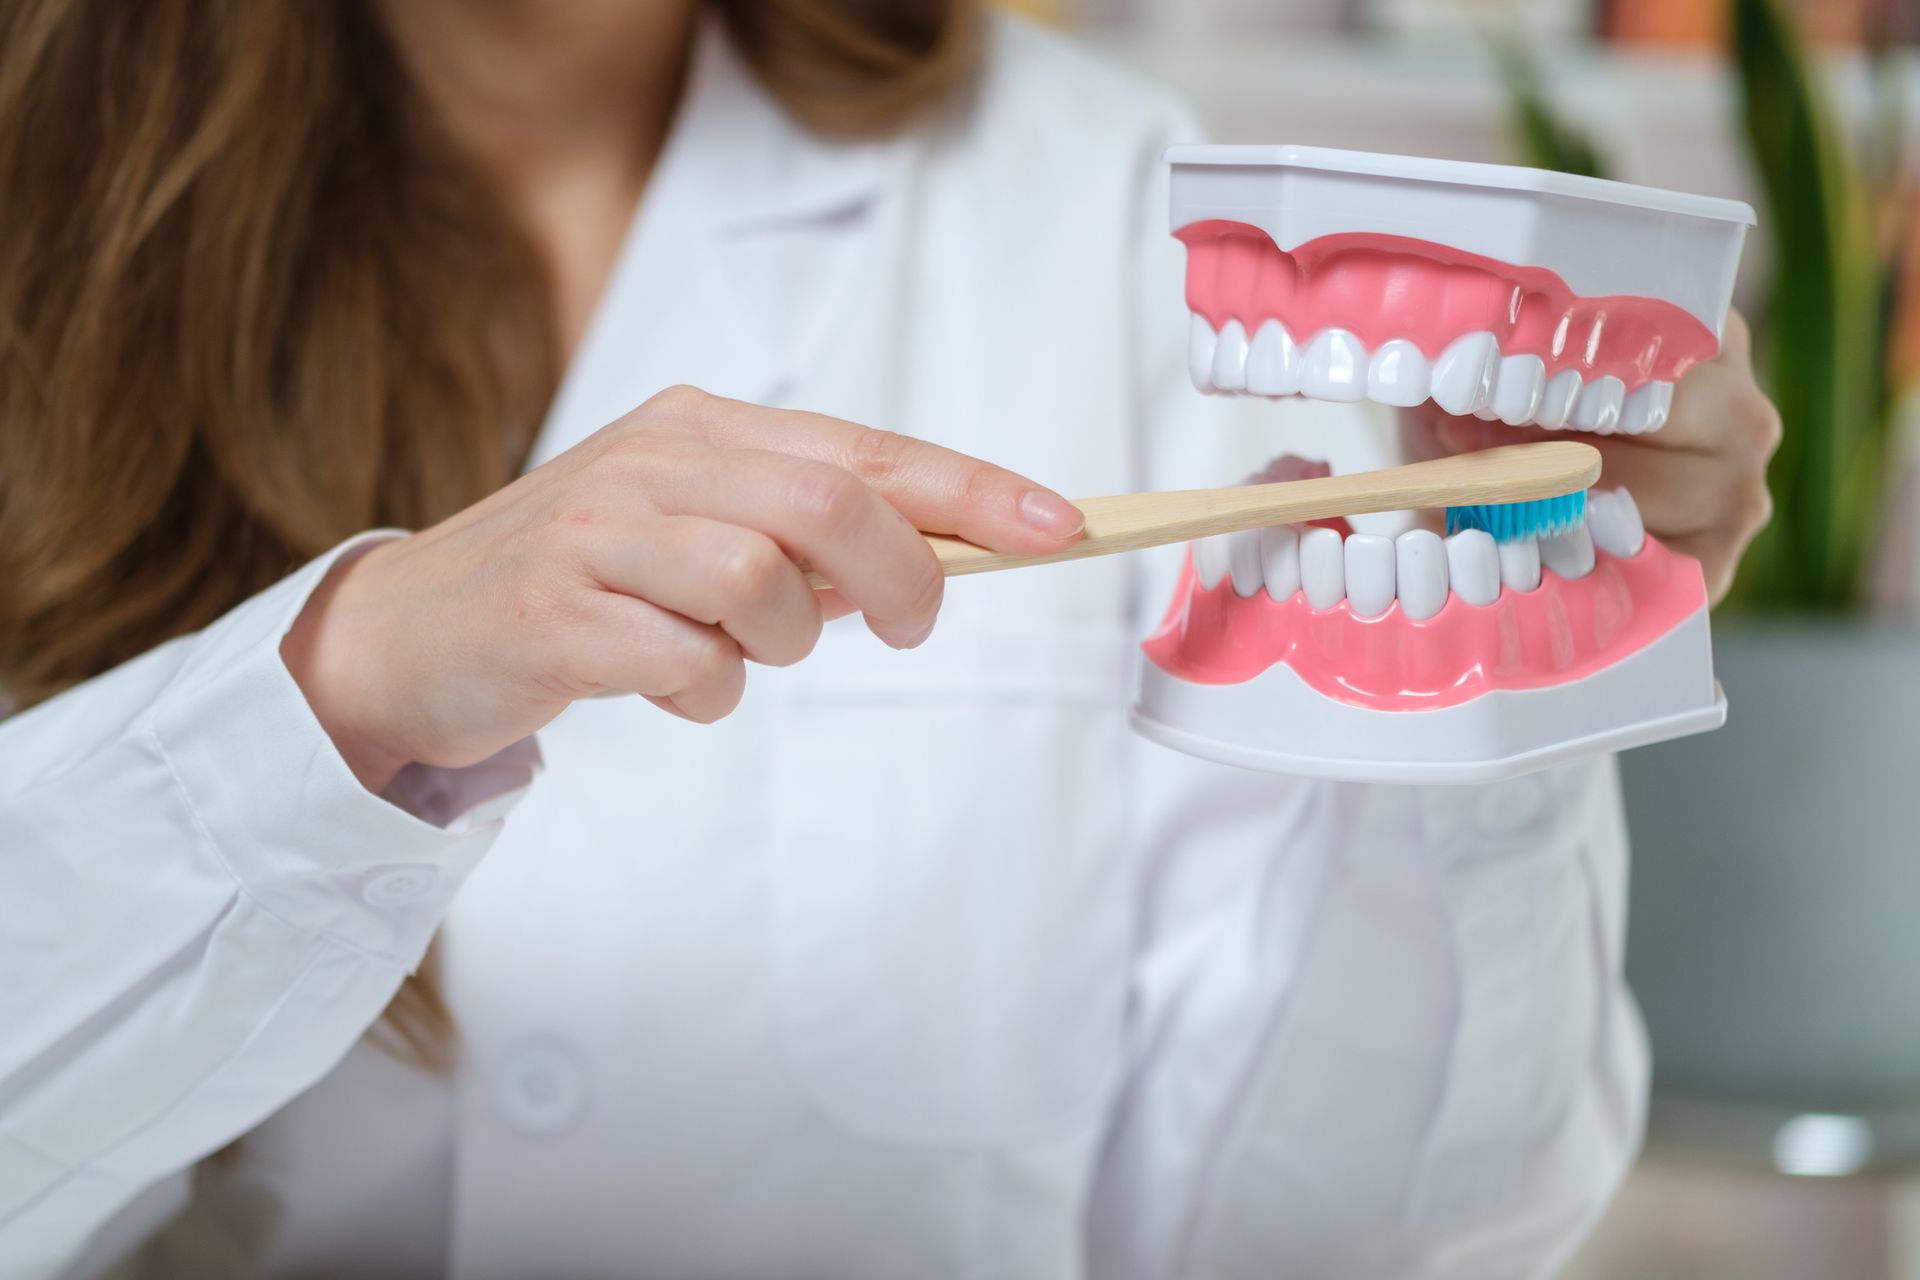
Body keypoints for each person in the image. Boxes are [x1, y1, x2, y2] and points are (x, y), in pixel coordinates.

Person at [0, 1, 1780, 1277]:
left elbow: (1384, 1242)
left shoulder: (1112, 207)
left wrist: (1477, 671)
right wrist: (334, 688)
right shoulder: (37, 222)